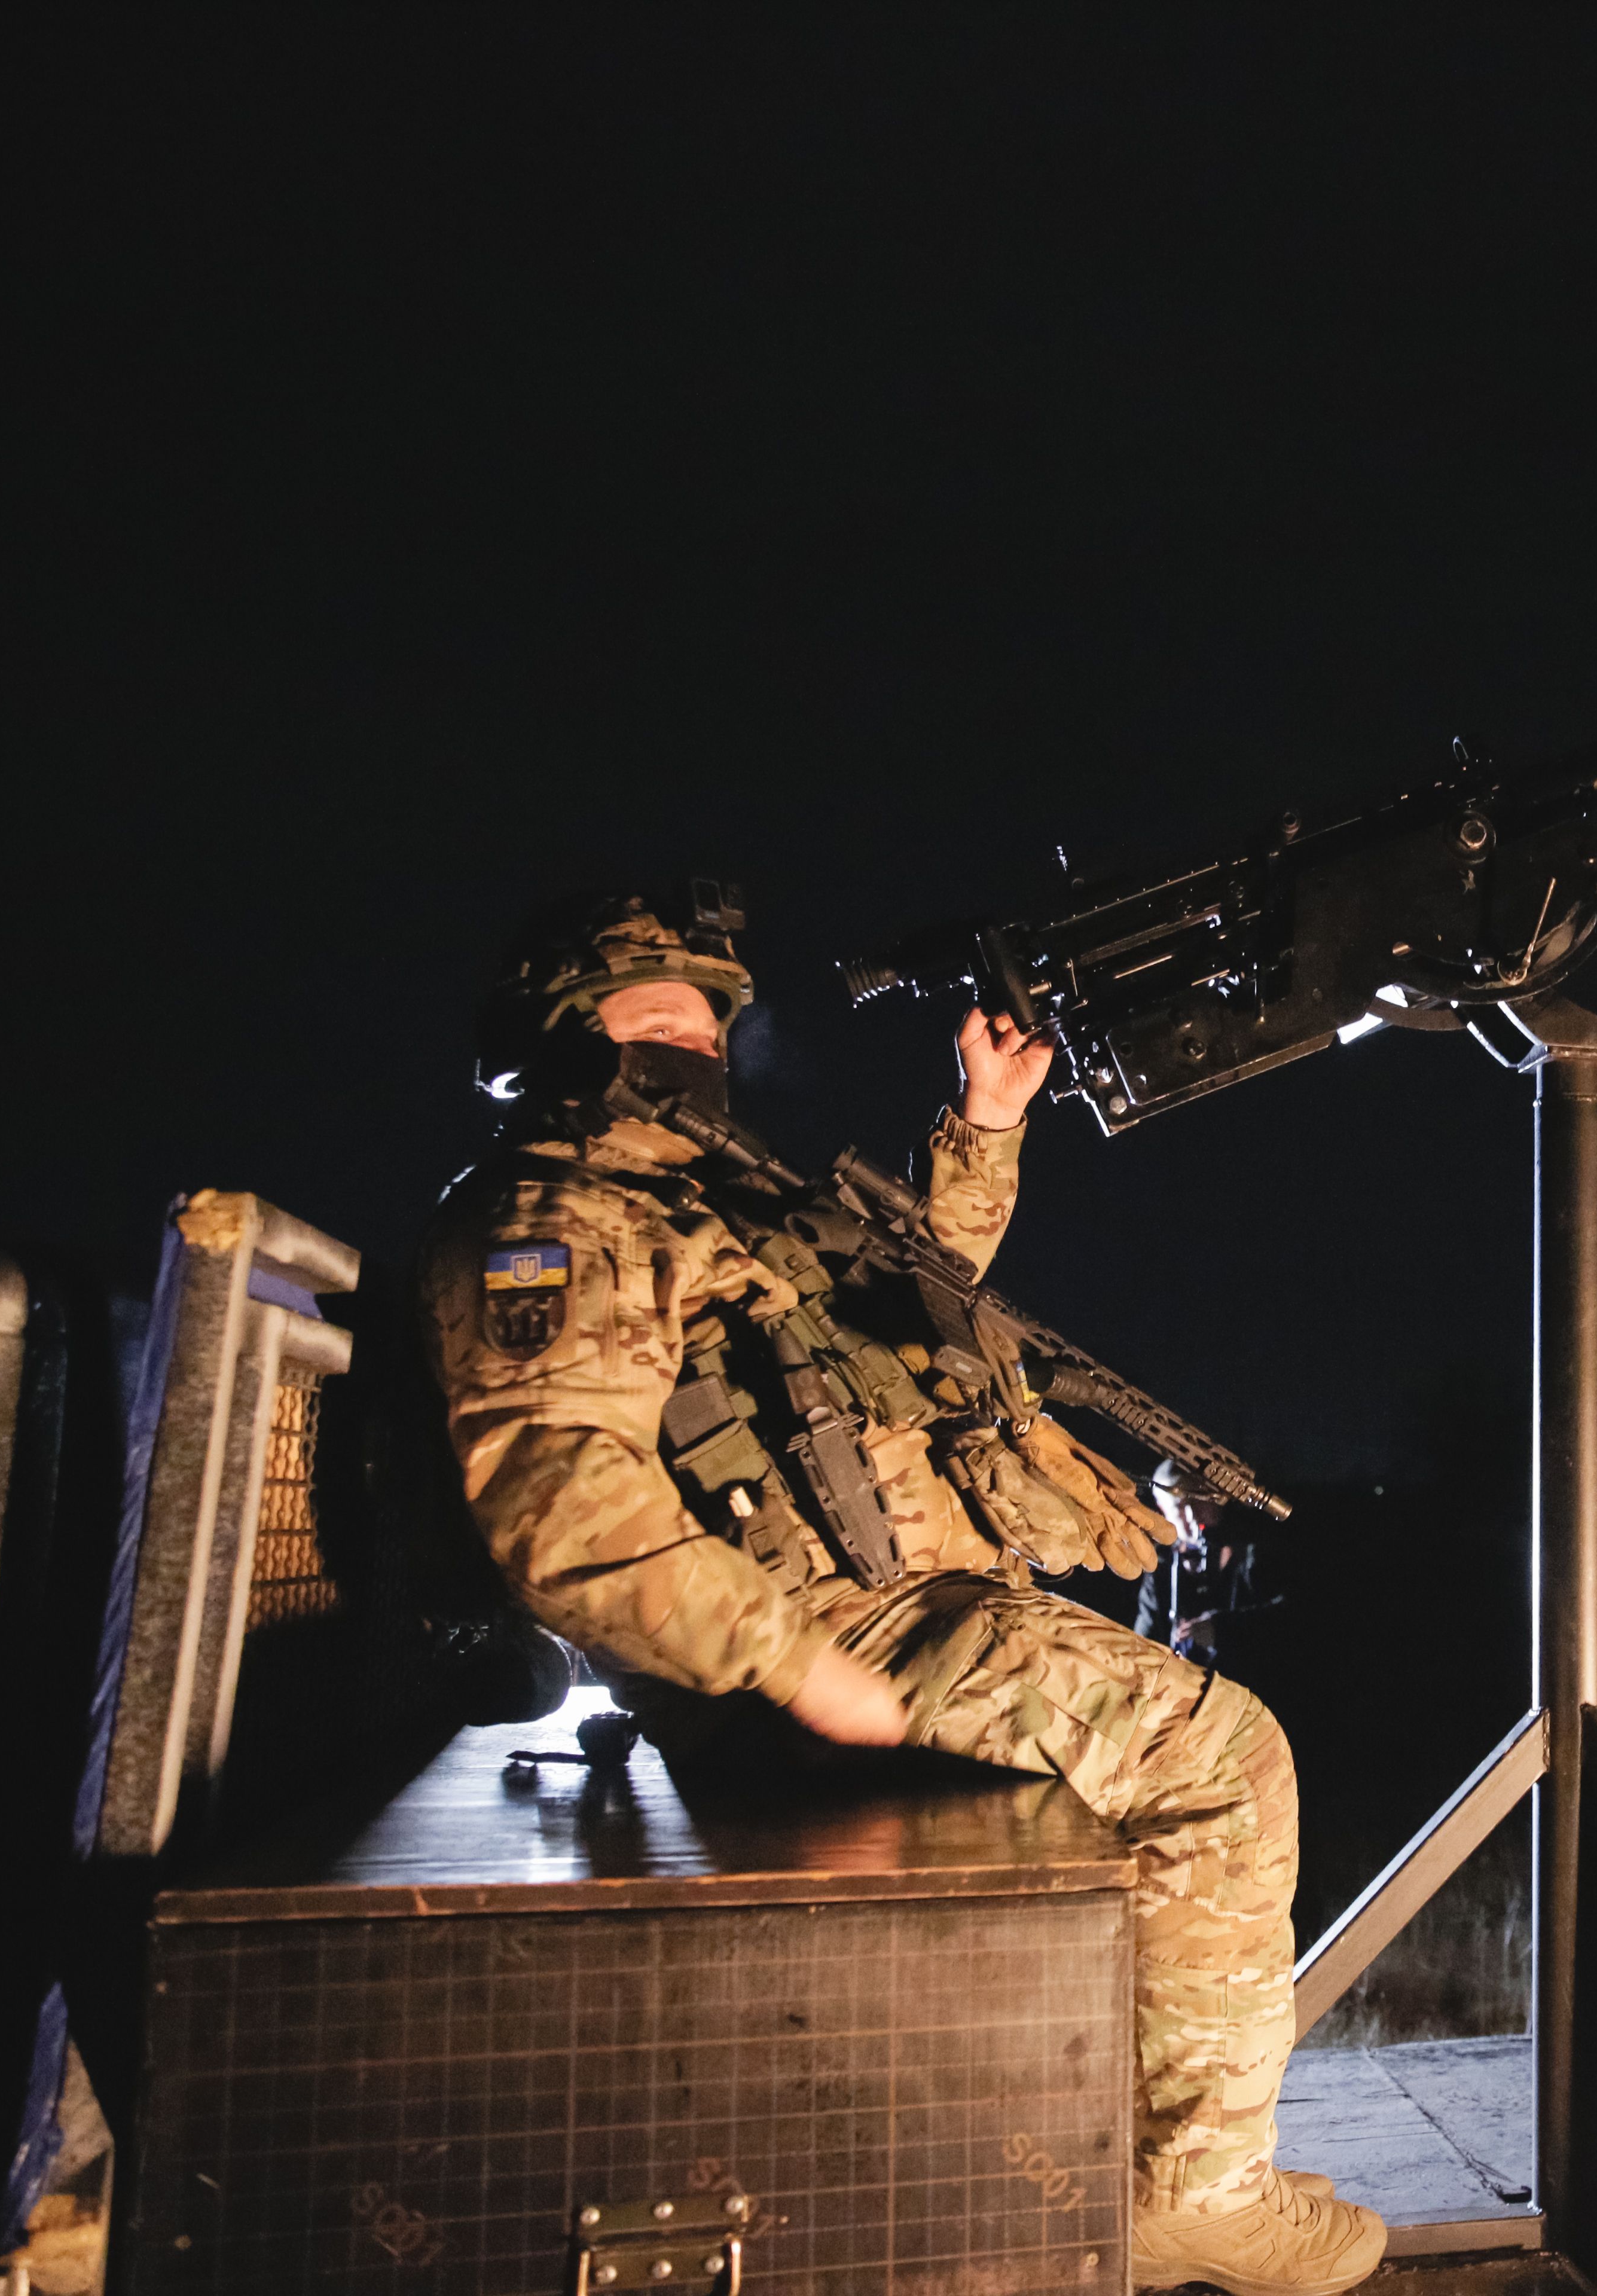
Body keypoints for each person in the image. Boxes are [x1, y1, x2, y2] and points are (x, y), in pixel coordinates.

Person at [420, 890, 1384, 2296]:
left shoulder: (708, 1203)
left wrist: (985, 1122)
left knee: (1180, 1757)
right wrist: (800, 1667)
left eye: (708, 1021)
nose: (695, 1045)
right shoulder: (559, 1218)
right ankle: (1192, 2194)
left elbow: (904, 1301)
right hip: (833, 1641)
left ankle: (1135, 2153)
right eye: (655, 1019)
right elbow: (557, 1502)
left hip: (909, 1607)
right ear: (560, 1041)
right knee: (1218, 1757)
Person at [1134, 1461, 1269, 1664]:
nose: (1192, 1516)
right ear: (1163, 1510)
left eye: (1198, 1501)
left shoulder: (1252, 1546)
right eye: (1179, 1507)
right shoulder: (1161, 1566)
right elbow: (1143, 1639)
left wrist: (1222, 1629)